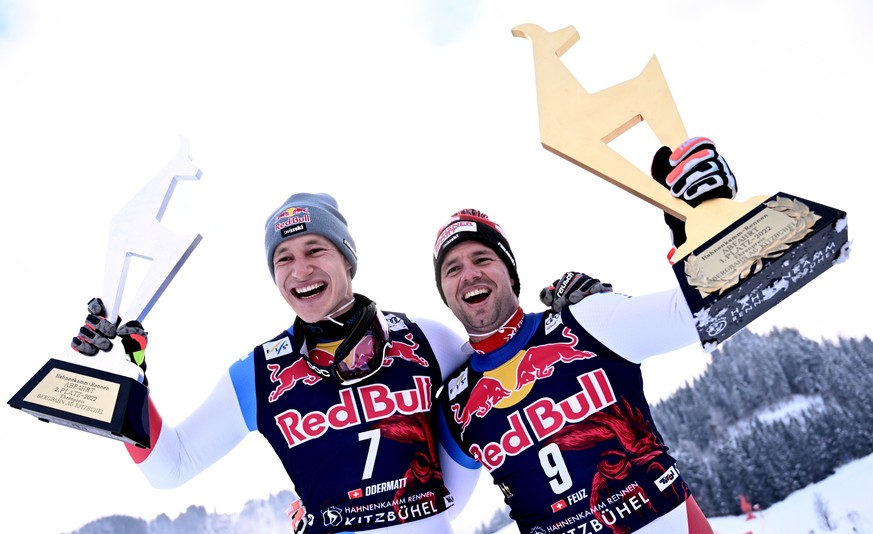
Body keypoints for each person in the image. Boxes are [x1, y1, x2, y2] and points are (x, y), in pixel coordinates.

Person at [71, 191, 608, 533]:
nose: (300, 268)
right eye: (284, 258)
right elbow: (172, 466)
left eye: (315, 250)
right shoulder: (258, 374)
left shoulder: (428, 339)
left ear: (347, 259)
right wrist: (119, 379)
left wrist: (570, 317)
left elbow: (508, 378)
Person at [432, 137, 737, 534]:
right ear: (446, 295)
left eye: (482, 258)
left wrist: (702, 223)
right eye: (452, 269)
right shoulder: (455, 404)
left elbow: (702, 311)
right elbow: (428, 512)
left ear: (510, 274)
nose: (469, 273)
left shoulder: (587, 321)